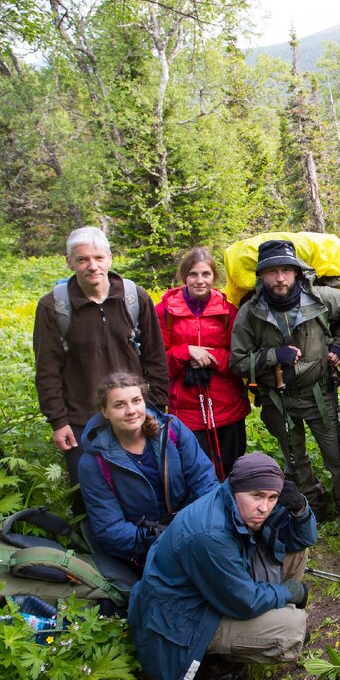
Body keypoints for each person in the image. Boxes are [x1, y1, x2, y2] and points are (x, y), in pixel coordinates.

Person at [128, 453, 316, 680]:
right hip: (184, 621)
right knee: (293, 629)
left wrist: (301, 509)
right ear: (237, 488)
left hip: (211, 592)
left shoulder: (233, 503)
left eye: (272, 498)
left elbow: (302, 540)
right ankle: (213, 656)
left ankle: (269, 618)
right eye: (257, 495)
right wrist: (286, 592)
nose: (264, 507)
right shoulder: (210, 533)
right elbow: (243, 601)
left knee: (294, 549)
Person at [230, 239, 340, 548]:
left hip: (320, 394)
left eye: (285, 270)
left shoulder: (320, 298)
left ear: (297, 272)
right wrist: (271, 356)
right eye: (272, 272)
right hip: (277, 399)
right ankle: (311, 504)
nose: (280, 278)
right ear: (261, 275)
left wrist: (338, 345)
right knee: (294, 459)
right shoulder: (250, 313)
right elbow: (237, 362)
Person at [33, 226, 168, 515]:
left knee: (143, 489)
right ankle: (88, 554)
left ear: (109, 258)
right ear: (70, 263)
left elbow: (156, 358)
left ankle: (142, 549)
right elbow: (47, 370)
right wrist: (58, 421)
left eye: (97, 257)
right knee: (88, 497)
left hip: (134, 413)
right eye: (82, 260)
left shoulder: (135, 298)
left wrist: (154, 408)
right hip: (82, 420)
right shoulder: (53, 306)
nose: (91, 266)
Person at [79, 372, 219, 569]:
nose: (131, 411)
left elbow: (205, 483)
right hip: (143, 548)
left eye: (136, 401)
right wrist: (166, 540)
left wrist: (193, 529)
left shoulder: (172, 430)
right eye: (119, 405)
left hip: (192, 530)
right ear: (104, 411)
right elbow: (111, 530)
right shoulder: (94, 462)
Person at [156, 247, 251, 478]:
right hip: (186, 408)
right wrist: (185, 351)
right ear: (184, 276)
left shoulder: (228, 311)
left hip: (228, 405)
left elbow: (241, 359)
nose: (200, 281)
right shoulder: (164, 312)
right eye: (193, 274)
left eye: (206, 274)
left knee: (232, 467)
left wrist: (210, 358)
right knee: (195, 468)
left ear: (214, 277)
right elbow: (158, 363)